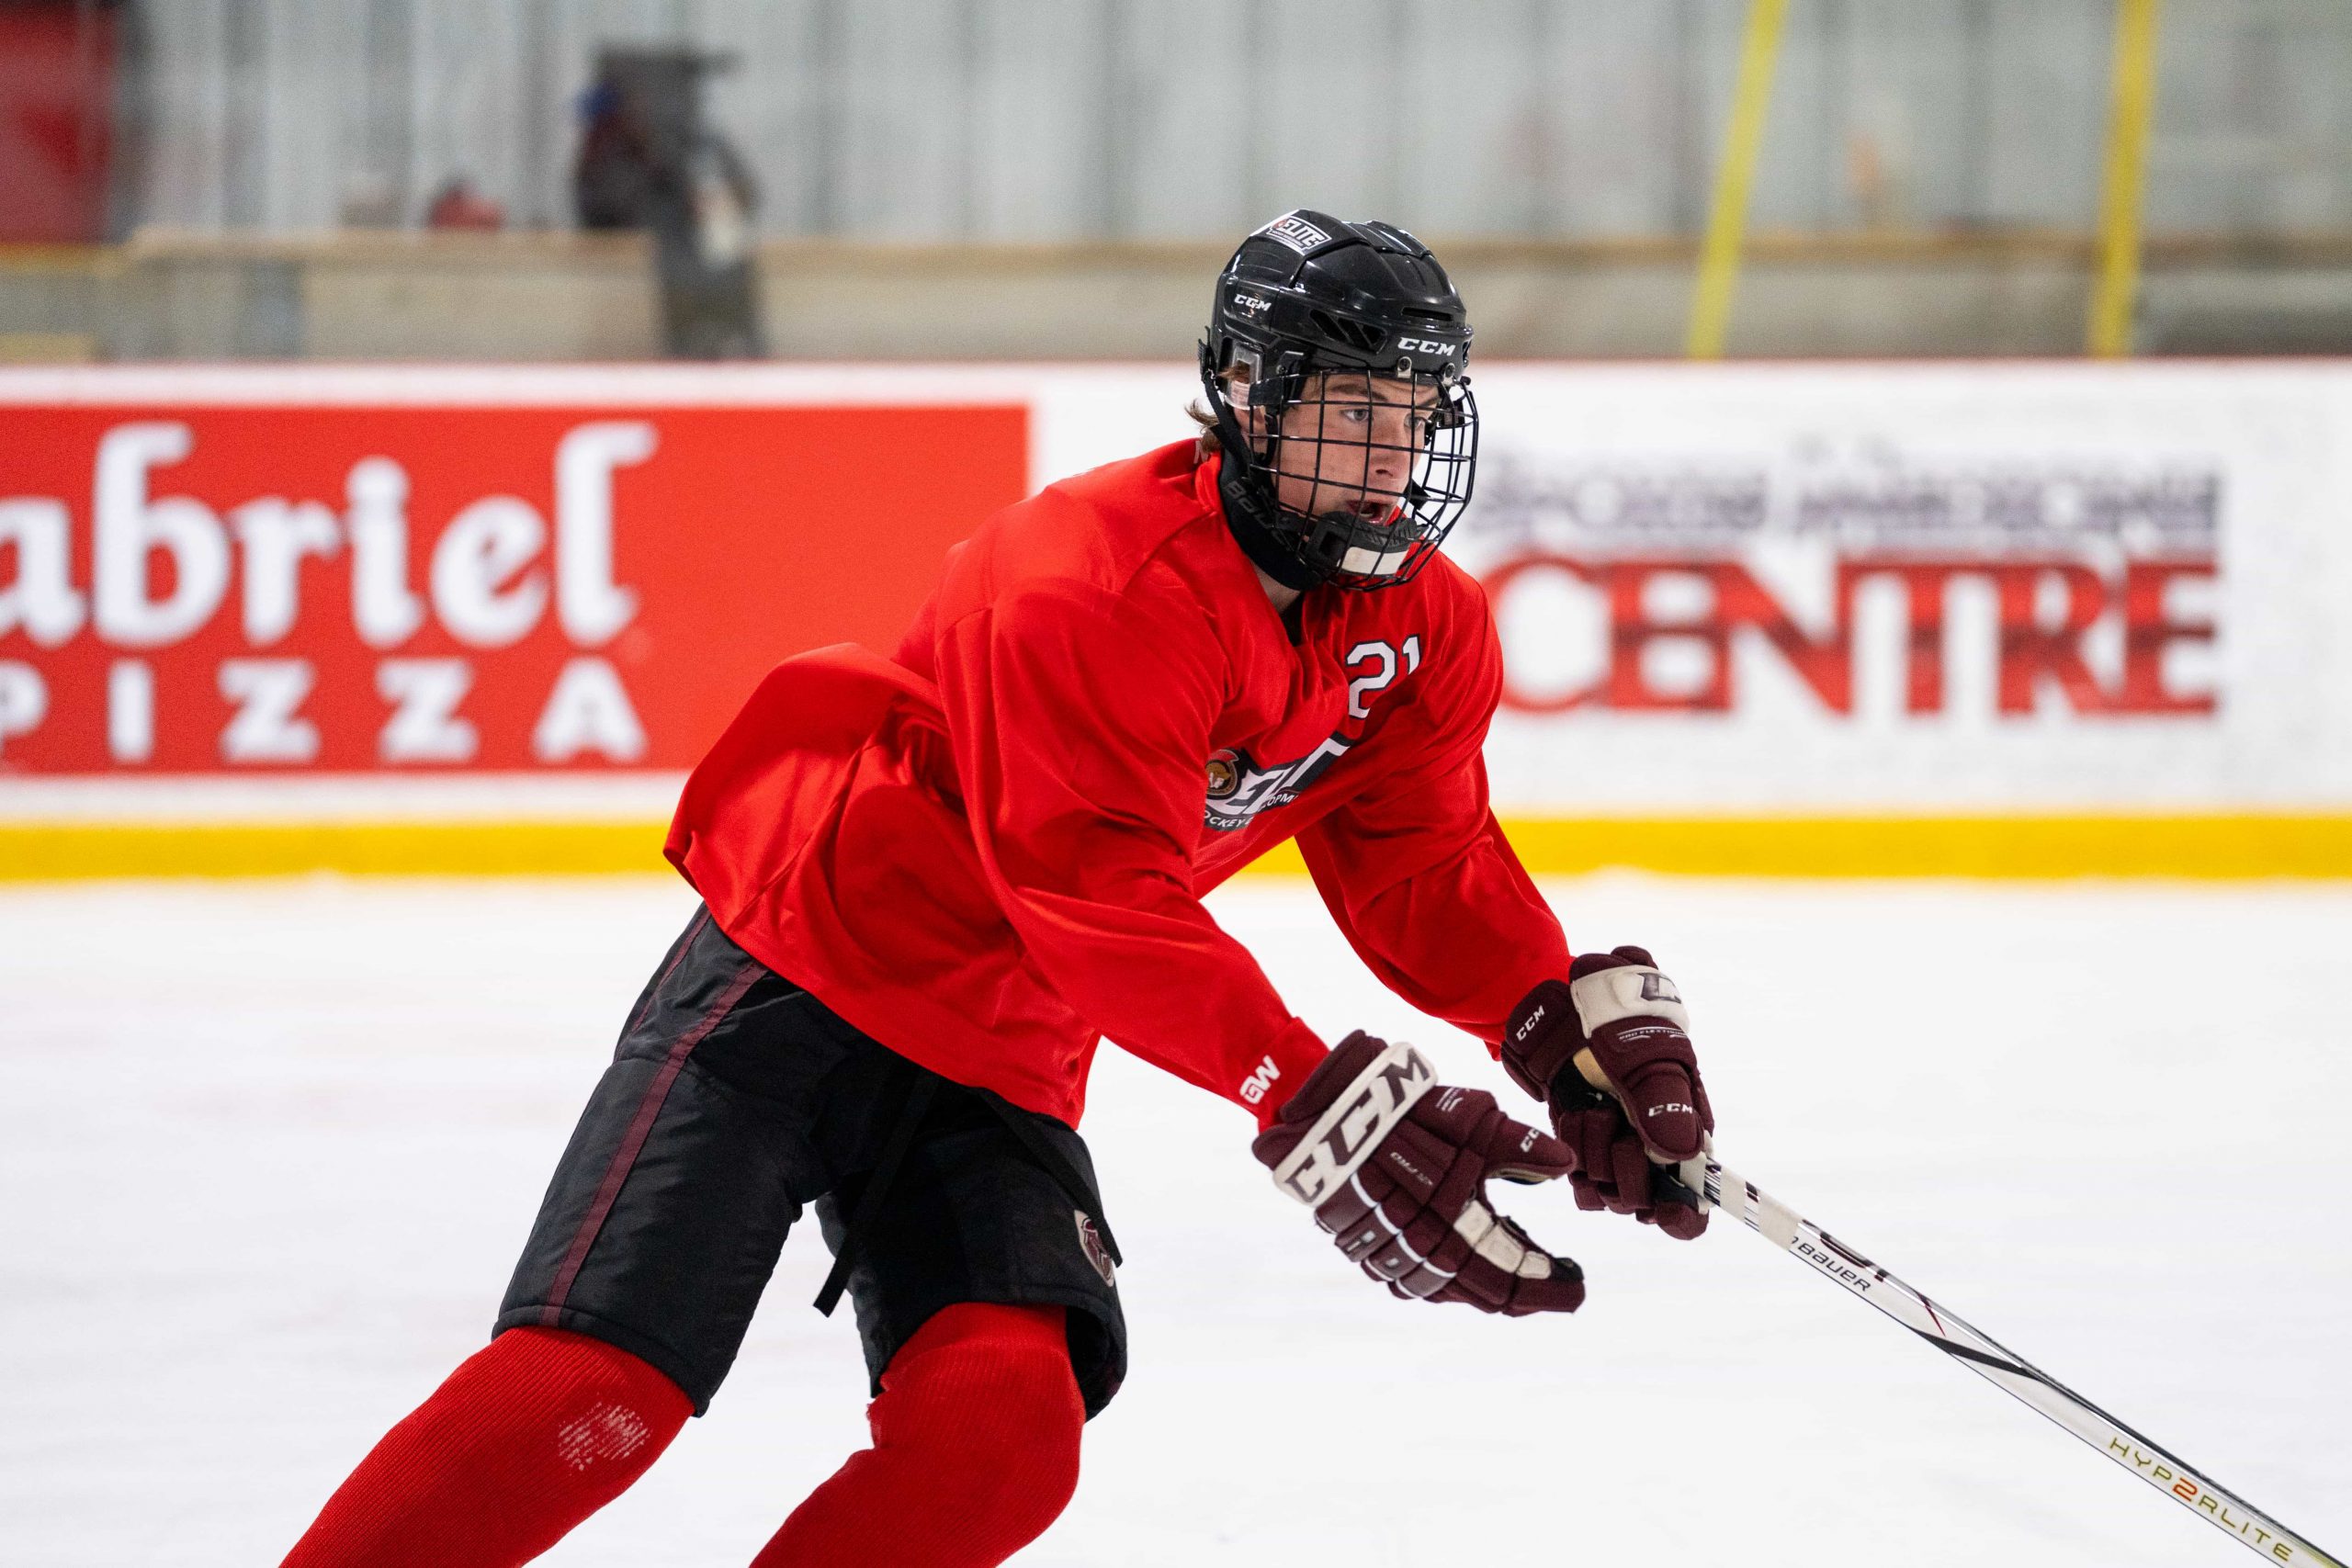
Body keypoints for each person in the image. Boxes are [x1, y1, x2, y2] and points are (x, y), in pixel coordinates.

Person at [278, 209, 1717, 1568]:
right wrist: (1307, 1086)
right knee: (594, 1400)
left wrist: (1550, 1024)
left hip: (1002, 1049)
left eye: (1415, 415)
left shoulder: (1424, 628)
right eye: (1355, 408)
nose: (1393, 457)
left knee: (1003, 1440)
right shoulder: (1094, 581)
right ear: (1244, 392)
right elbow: (1093, 894)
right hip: (799, 978)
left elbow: (1428, 865)